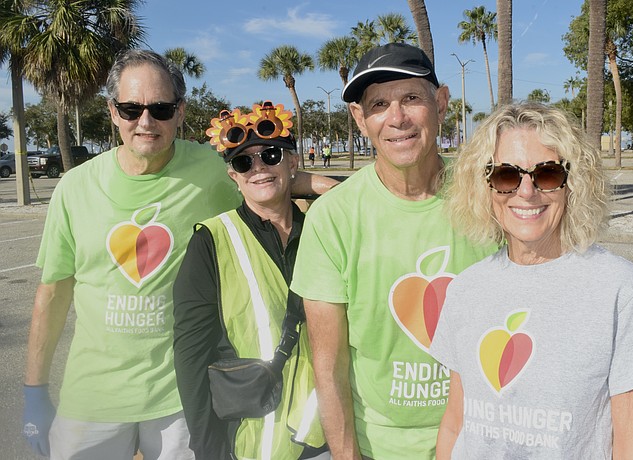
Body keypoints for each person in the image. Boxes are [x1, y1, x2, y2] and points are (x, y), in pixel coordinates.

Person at [21, 49, 336, 459]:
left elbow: (262, 177)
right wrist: (34, 389)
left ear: (181, 111)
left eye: (161, 108)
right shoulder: (74, 187)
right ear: (113, 111)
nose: (146, 121)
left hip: (179, 401)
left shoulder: (210, 170)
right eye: (132, 109)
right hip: (91, 398)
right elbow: (53, 294)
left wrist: (326, 188)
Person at [431, 101, 633, 459]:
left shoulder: (622, 290)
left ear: (572, 182)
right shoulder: (465, 289)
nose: (527, 191)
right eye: (506, 175)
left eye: (547, 174)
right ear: (484, 186)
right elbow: (456, 423)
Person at [290, 43, 497, 459]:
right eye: (379, 104)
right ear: (359, 119)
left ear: (440, 103)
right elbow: (329, 370)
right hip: (378, 446)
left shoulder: (491, 195)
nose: (397, 118)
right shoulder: (333, 217)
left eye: (412, 98)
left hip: (483, 437)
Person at [172, 101, 327, 459]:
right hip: (251, 441)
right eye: (244, 162)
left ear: (293, 162)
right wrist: (206, 446)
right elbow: (191, 355)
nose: (257, 168)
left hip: (324, 432)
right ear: (234, 176)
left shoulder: (323, 229)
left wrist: (314, 184)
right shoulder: (211, 241)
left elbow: (364, 201)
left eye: (271, 155)